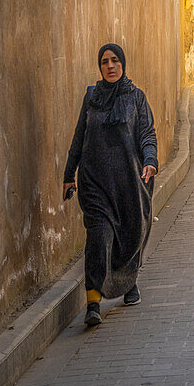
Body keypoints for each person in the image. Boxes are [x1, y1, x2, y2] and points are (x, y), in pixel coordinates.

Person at [63, 43, 157, 327]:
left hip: (127, 183)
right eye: (105, 61)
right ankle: (93, 302)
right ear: (100, 66)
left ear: (123, 64)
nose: (110, 66)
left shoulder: (136, 98)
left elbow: (147, 134)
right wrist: (69, 175)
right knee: (99, 237)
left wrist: (150, 161)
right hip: (95, 183)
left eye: (115, 60)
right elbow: (79, 136)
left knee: (129, 235)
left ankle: (128, 283)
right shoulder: (92, 97)